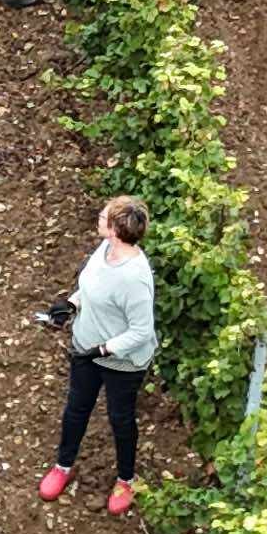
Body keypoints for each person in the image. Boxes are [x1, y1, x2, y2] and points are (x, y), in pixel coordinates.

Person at [35, 197, 157, 517]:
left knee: (120, 418)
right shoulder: (105, 251)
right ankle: (63, 466)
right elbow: (90, 287)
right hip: (86, 347)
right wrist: (70, 306)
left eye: (104, 216)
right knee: (77, 408)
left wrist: (103, 350)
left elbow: (142, 331)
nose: (98, 218)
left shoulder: (135, 278)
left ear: (117, 230)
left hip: (121, 360)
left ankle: (126, 479)